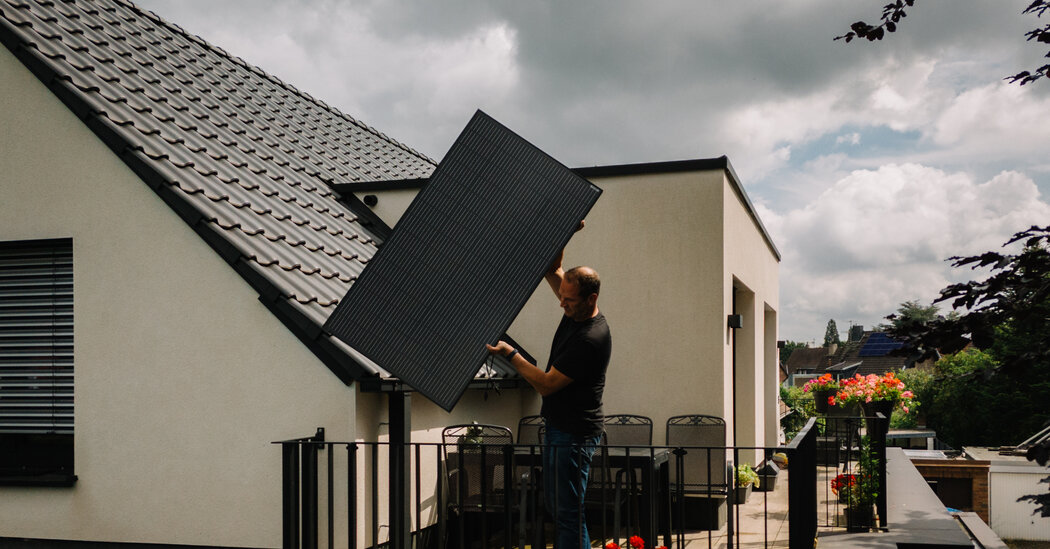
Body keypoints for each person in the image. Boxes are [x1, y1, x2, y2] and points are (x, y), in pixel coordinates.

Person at [486, 246, 612, 549]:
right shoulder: (575, 309)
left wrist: (511, 354)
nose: (562, 304)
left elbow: (546, 384)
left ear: (591, 298)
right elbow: (552, 269)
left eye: (568, 300)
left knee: (569, 511)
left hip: (575, 434)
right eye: (562, 297)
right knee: (560, 508)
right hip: (559, 428)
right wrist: (570, 228)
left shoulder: (590, 339)